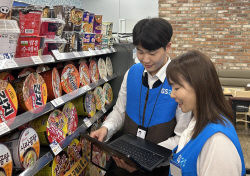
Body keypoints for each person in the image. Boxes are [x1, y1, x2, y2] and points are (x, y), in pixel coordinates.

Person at [90, 18, 192, 175]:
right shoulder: (132, 73)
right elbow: (119, 111)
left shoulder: (180, 82)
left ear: (168, 47)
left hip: (160, 168)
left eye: (152, 53)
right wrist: (106, 128)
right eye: (140, 51)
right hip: (123, 161)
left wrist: (145, 157)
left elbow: (181, 137)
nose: (145, 59)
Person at [166, 50, 246, 176]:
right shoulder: (195, 123)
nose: (172, 94)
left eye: (176, 88)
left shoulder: (218, 141)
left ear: (199, 86)